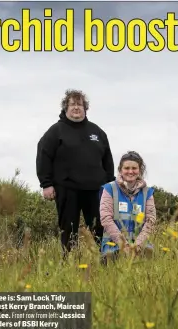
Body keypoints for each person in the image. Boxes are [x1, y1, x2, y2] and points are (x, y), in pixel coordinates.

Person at [36, 89, 115, 257]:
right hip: (67, 188)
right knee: (68, 229)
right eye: (72, 104)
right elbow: (43, 156)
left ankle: (105, 259)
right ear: (66, 108)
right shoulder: (55, 131)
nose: (76, 108)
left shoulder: (98, 132)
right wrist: (46, 184)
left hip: (96, 189)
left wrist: (111, 185)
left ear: (85, 108)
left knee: (100, 226)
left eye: (80, 104)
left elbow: (108, 160)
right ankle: (69, 261)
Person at [99, 151, 156, 261]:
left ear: (140, 170)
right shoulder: (109, 189)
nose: (130, 171)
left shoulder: (147, 192)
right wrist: (123, 245)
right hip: (114, 246)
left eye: (134, 168)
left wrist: (137, 246)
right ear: (120, 169)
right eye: (127, 168)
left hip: (141, 247)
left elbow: (151, 220)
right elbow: (106, 219)